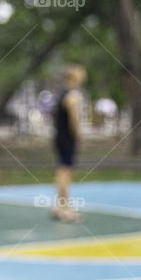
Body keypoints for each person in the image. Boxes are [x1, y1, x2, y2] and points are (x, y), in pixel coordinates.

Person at [52, 64, 86, 223]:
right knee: (66, 172)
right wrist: (77, 135)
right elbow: (74, 120)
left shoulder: (62, 93)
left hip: (59, 137)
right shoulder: (73, 95)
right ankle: (65, 209)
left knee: (62, 170)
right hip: (67, 138)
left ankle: (60, 207)